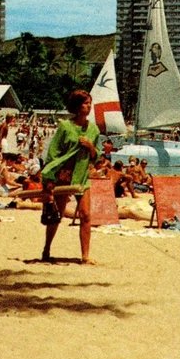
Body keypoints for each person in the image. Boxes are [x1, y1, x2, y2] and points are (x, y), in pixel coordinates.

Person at [40, 90, 100, 264]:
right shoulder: (65, 127)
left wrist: (90, 146)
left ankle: (85, 255)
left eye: (89, 103)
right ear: (77, 106)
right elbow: (53, 153)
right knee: (57, 214)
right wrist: (50, 180)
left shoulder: (93, 129)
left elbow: (96, 157)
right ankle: (46, 248)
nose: (89, 106)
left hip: (82, 176)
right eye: (85, 103)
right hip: (64, 175)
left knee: (86, 214)